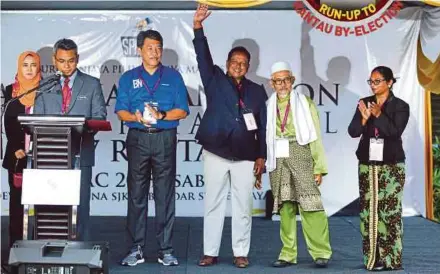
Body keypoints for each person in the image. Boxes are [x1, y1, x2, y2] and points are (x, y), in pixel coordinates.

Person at [193, 4, 267, 268]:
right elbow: (202, 56)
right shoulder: (214, 79)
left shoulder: (258, 91)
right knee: (213, 204)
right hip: (216, 152)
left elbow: (263, 127)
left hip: (246, 156)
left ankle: (240, 252)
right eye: (234, 62)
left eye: (243, 63)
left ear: (248, 66)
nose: (238, 66)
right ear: (227, 64)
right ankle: (210, 252)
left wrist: (261, 156)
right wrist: (199, 27)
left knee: (242, 206)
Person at [115, 29, 189, 267]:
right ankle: (136, 248)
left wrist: (162, 114)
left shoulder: (173, 77)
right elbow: (120, 111)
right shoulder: (128, 78)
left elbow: (183, 110)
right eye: (149, 48)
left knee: (165, 194)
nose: (155, 52)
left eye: (158, 47)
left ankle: (165, 249)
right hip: (138, 137)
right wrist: (135, 118)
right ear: (139, 50)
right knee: (136, 194)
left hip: (164, 137)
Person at [34, 38, 107, 241]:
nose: (67, 65)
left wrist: (80, 127)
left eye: (71, 60)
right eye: (62, 60)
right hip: (50, 156)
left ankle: (80, 253)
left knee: (80, 205)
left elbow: (100, 116)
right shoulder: (45, 85)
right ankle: (49, 247)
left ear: (78, 59)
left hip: (80, 154)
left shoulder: (91, 84)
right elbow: (37, 118)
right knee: (50, 204)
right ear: (54, 60)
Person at [261, 61, 332, 268]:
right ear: (271, 83)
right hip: (278, 156)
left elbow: (316, 136)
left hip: (301, 153)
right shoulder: (268, 105)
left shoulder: (305, 103)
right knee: (285, 206)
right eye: (278, 81)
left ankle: (321, 252)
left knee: (311, 205)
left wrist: (319, 166)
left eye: (286, 80)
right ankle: (288, 253)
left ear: (292, 81)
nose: (282, 84)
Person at [348, 66, 409, 271]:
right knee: (368, 212)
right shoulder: (364, 103)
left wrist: (379, 114)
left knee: (389, 212)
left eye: (378, 81)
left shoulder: (400, 106)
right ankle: (373, 259)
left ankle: (391, 259)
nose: (373, 85)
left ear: (390, 82)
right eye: (371, 82)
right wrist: (365, 117)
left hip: (391, 166)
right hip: (368, 165)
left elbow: (394, 131)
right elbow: (353, 131)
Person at [2, 51, 42, 248]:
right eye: (25, 65)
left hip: (43, 156)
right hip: (17, 156)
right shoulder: (11, 90)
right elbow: (8, 121)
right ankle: (15, 248)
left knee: (42, 204)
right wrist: (18, 147)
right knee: (17, 205)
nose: (29, 69)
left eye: (33, 65)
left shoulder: (47, 90)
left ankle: (39, 247)